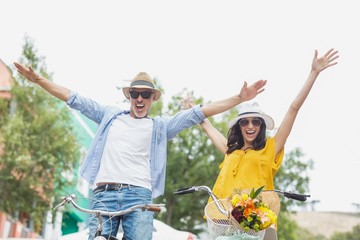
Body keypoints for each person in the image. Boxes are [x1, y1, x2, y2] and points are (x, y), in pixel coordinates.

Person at [13, 62, 267, 240]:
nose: (140, 99)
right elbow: (74, 98)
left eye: (146, 94)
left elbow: (199, 112)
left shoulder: (160, 126)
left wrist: (238, 99)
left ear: (153, 98)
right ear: (129, 96)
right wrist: (38, 80)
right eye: (135, 93)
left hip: (139, 198)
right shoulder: (109, 116)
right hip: (104, 194)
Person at [182, 48, 339, 231]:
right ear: (239, 127)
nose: (250, 126)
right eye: (245, 122)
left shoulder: (271, 147)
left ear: (261, 125)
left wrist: (313, 73)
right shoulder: (231, 150)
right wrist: (193, 110)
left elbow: (293, 108)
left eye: (255, 122)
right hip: (225, 221)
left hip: (257, 223)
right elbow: (207, 126)